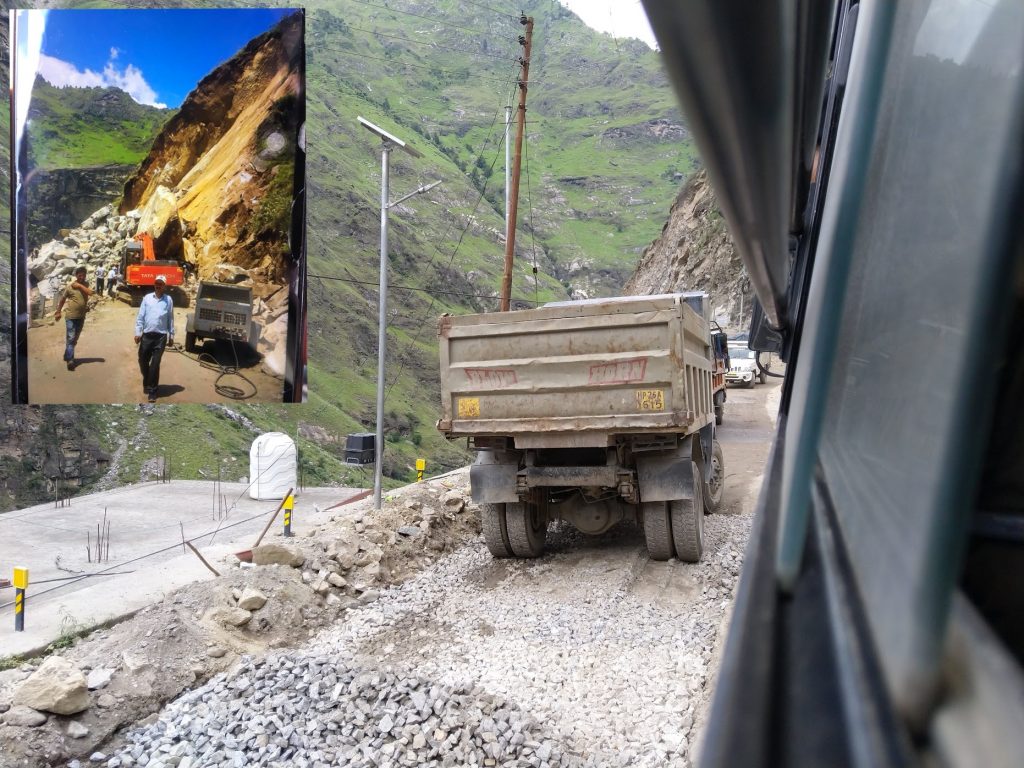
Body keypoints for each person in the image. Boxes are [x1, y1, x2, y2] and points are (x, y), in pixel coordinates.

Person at [134, 275, 175, 402]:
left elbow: (171, 319)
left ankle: (153, 390)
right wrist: (138, 332)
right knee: (142, 360)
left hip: (161, 337)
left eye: (161, 284)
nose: (158, 285)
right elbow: (141, 316)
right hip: (146, 336)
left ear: (164, 286)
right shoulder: (147, 298)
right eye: (156, 283)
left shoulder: (168, 300)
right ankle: (147, 379)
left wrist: (171, 335)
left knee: (155, 364)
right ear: (154, 284)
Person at [54, 266, 93, 371]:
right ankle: (70, 360)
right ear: (76, 275)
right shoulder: (69, 287)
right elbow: (62, 300)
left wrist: (79, 286)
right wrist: (58, 312)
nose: (82, 277)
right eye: (80, 275)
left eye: (83, 275)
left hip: (81, 317)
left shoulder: (85, 285)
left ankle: (67, 354)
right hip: (70, 317)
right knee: (71, 338)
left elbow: (90, 293)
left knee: (74, 339)